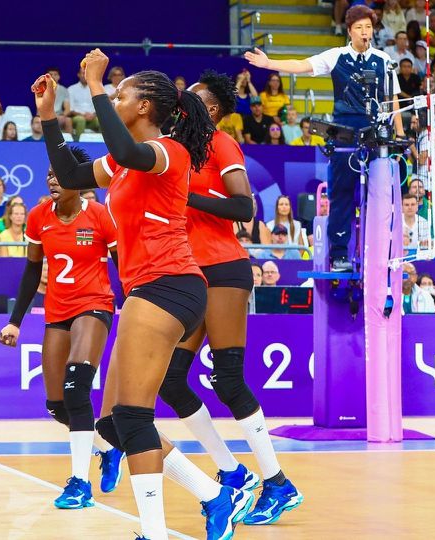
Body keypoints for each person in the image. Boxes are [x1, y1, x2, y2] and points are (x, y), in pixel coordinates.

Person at [34, 50, 252, 540]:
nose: (114, 98)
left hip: (168, 283)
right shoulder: (122, 162)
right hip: (151, 287)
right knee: (114, 424)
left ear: (145, 106)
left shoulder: (167, 152)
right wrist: (48, 117)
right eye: (112, 94)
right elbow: (71, 175)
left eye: (120, 94)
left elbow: (129, 151)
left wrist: (93, 86)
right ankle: (215, 495)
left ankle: (155, 531)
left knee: (131, 416)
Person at [162, 69, 302, 528]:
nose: (183, 102)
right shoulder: (176, 148)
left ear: (211, 109)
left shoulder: (221, 145)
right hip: (189, 272)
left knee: (227, 379)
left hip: (223, 268)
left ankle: (277, 482)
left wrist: (189, 198)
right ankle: (232, 471)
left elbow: (245, 208)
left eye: (192, 98)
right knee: (170, 380)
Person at [0, 152, 123, 507]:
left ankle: (79, 484)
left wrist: (135, 303)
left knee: (76, 387)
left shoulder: (100, 215)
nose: (53, 180)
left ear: (78, 179)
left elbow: (123, 264)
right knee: (56, 405)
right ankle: (107, 449)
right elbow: (31, 271)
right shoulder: (38, 217)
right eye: (49, 174)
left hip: (94, 305)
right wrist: (15, 321)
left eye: (60, 175)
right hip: (57, 311)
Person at [246, 3, 404, 271]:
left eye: (368, 27)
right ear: (349, 31)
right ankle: (340, 254)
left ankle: (380, 252)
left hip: (376, 133)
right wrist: (269, 63)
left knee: (379, 195)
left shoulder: (383, 59)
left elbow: (392, 99)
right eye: (359, 27)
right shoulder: (336, 55)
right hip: (345, 130)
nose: (365, 32)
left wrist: (398, 133)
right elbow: (302, 65)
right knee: (341, 192)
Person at [67, 66, 100, 141]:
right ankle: (79, 144)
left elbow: (99, 107)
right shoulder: (71, 89)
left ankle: (105, 144)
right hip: (77, 117)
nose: (85, 75)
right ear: (78, 75)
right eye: (83, 73)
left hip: (93, 117)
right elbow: (71, 109)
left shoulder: (95, 89)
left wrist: (93, 115)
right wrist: (83, 115)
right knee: (80, 120)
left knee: (101, 121)